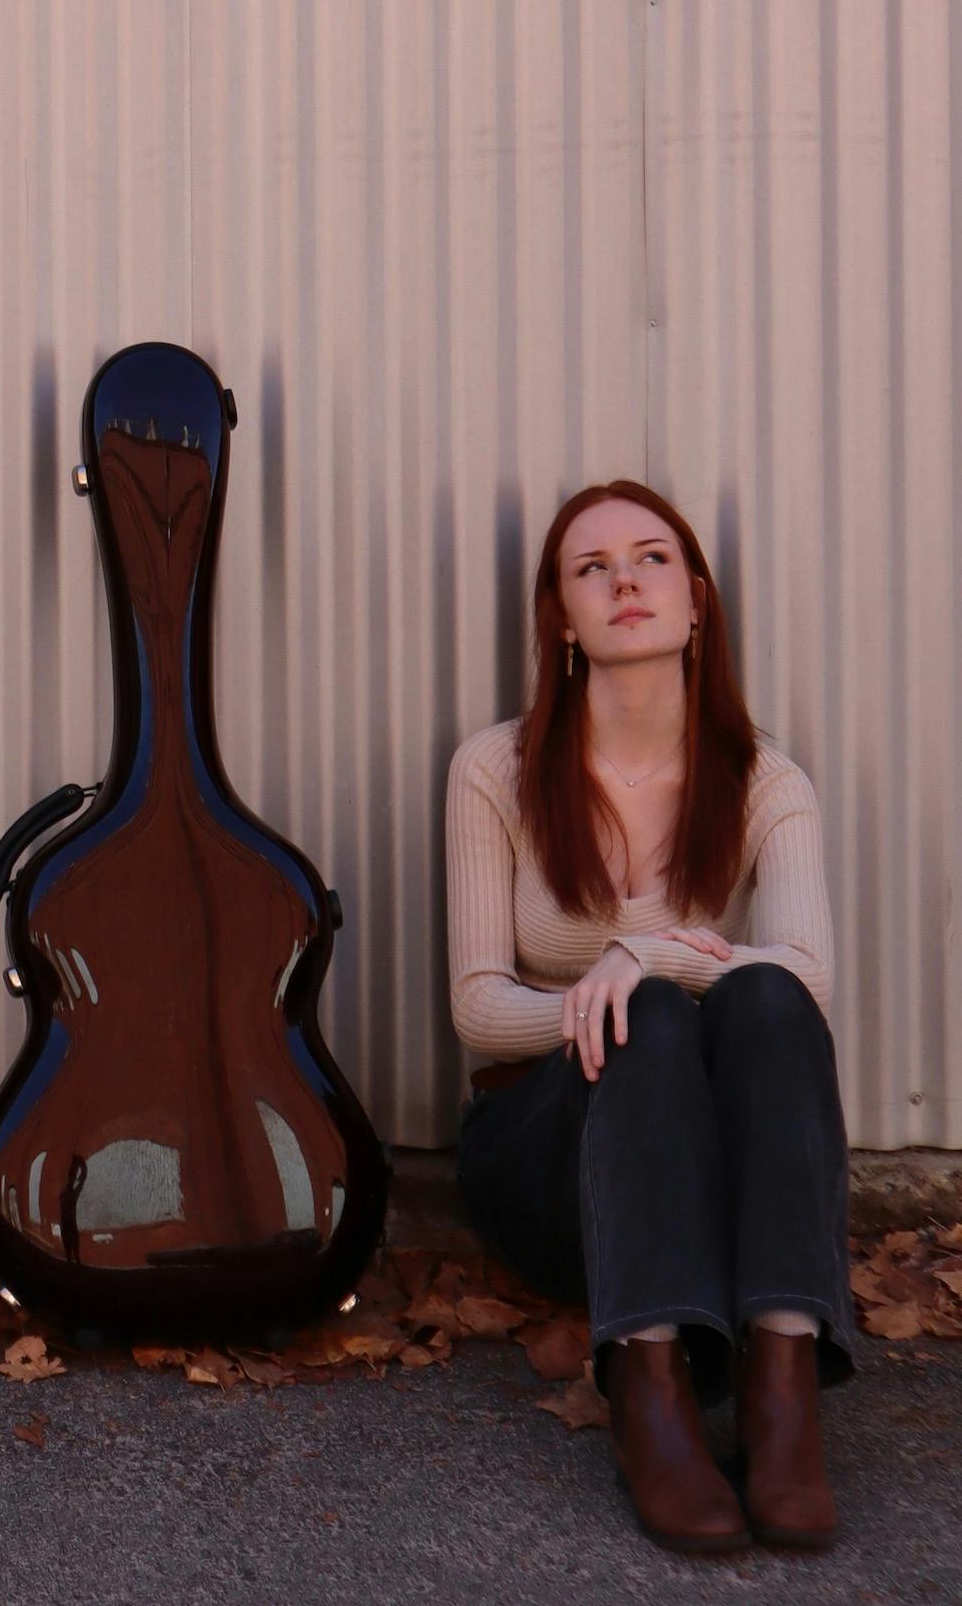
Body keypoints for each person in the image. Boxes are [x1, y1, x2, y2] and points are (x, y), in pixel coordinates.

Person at [444, 480, 849, 1555]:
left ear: (698, 601)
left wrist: (647, 953)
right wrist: (624, 995)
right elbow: (479, 1007)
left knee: (758, 993)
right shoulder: (496, 770)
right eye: (591, 568)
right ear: (562, 620)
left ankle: (782, 1390)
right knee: (655, 1022)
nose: (625, 579)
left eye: (652, 558)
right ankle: (651, 1388)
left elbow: (807, 975)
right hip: (548, 1161)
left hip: (696, 1182)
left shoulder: (765, 779)